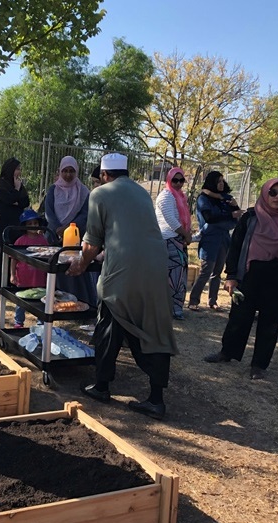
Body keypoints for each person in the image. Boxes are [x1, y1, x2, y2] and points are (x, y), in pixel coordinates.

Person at [67, 153, 178, 420]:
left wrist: (80, 265)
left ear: (104, 175)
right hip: (156, 267)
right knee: (153, 327)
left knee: (109, 321)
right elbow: (130, 232)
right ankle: (156, 399)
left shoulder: (100, 193)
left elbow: (92, 242)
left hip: (123, 271)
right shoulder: (142, 193)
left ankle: (102, 386)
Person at [203, 178, 278, 379]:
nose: (277, 197)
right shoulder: (251, 218)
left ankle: (259, 365)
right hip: (249, 275)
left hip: (277, 278)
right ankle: (227, 352)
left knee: (269, 323)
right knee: (239, 318)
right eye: (273, 192)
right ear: (265, 193)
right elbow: (236, 247)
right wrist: (230, 276)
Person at [44, 155, 97, 305]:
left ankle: (78, 301)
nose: (68, 174)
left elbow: (85, 214)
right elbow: (49, 212)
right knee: (55, 269)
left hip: (75, 236)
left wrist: (68, 228)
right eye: (65, 171)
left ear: (77, 172)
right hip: (54, 237)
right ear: (60, 171)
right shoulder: (53, 189)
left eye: (71, 171)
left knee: (74, 267)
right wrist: (57, 229)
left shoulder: (83, 192)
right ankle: (54, 302)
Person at [188, 171, 241, 311]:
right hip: (210, 239)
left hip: (223, 239)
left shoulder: (227, 198)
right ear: (212, 182)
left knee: (217, 272)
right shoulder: (203, 199)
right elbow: (209, 218)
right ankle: (194, 300)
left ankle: (213, 301)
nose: (221, 184)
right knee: (206, 270)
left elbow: (236, 218)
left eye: (223, 181)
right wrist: (228, 215)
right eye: (218, 181)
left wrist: (234, 207)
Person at [155, 166, 193, 320]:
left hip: (177, 240)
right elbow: (171, 220)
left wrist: (185, 236)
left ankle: (175, 308)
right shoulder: (166, 196)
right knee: (172, 277)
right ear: (168, 180)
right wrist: (186, 235)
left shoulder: (180, 197)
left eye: (181, 180)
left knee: (178, 277)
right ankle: (169, 309)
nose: (178, 183)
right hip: (168, 241)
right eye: (174, 180)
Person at [0, 157, 30, 295]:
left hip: (17, 223)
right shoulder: (0, 183)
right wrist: (16, 194)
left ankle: (12, 283)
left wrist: (17, 194)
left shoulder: (19, 184)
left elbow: (25, 202)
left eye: (20, 169)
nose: (19, 172)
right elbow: (6, 200)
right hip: (3, 223)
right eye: (17, 169)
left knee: (15, 253)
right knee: (1, 252)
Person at [10, 209, 49, 328]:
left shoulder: (43, 240)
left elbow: (48, 256)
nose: (33, 226)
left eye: (35, 223)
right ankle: (19, 322)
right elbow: (13, 259)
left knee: (41, 300)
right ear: (24, 226)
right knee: (21, 300)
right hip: (24, 276)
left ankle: (41, 322)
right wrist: (12, 275)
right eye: (30, 224)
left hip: (39, 276)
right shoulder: (20, 241)